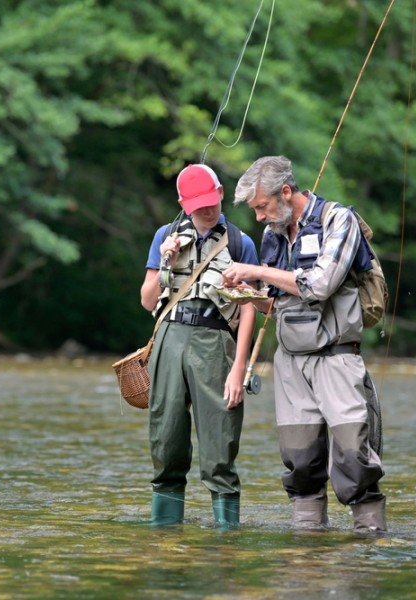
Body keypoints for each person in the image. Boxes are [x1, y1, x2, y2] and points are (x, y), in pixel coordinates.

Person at [221, 155, 387, 533]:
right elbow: (275, 303)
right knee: (300, 459)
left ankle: (370, 542)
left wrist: (256, 271)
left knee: (352, 455)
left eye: (261, 207)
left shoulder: (338, 220)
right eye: (255, 210)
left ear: (285, 191)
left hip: (337, 357)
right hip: (290, 361)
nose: (259, 217)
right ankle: (307, 544)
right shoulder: (273, 234)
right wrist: (248, 293)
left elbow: (320, 285)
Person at [140, 163, 258, 527]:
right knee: (166, 439)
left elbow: (250, 306)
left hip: (216, 343)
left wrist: (239, 368)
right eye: (198, 204)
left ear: (221, 192)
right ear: (182, 202)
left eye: (211, 200)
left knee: (220, 442)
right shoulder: (166, 234)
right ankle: (165, 535)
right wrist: (166, 262)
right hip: (169, 340)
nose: (207, 209)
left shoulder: (241, 242)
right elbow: (147, 301)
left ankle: (226, 538)